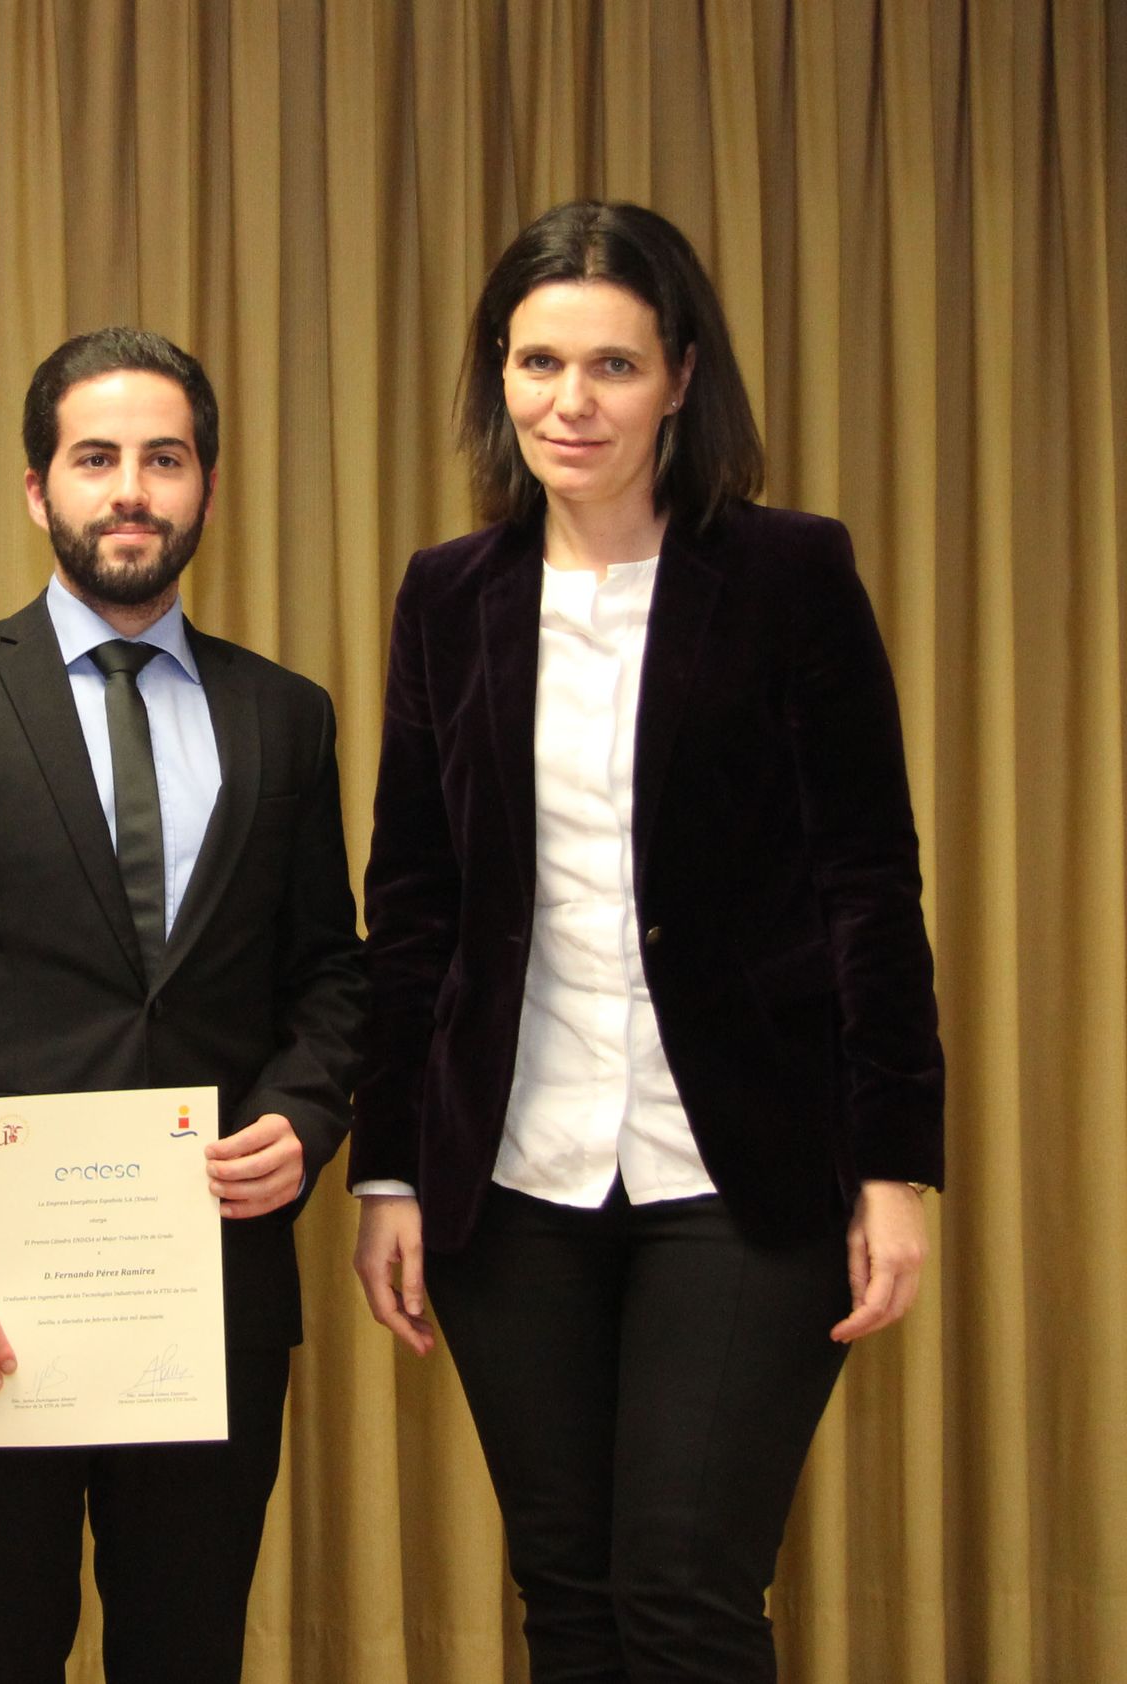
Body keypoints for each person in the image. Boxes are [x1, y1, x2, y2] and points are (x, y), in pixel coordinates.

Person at [350, 201, 944, 1682]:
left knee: (685, 1588)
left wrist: (894, 1166)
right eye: (538, 361)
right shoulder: (448, 596)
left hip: (737, 1163)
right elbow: (413, 898)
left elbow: (871, 882)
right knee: (569, 1593)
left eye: (612, 365)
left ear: (681, 376)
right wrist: (388, 1167)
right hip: (513, 1166)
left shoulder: (793, 576)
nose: (571, 401)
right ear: (498, 375)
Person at [0, 326, 364, 1684]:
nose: (132, 490)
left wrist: (302, 1116)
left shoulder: (285, 717)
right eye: (96, 457)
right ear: (38, 489)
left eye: (164, 460)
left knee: (187, 1655)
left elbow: (335, 980)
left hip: (206, 1295)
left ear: (208, 491)